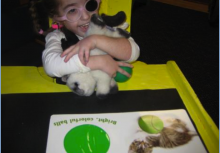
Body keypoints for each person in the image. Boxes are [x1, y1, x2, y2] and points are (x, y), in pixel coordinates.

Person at [31, 0, 140, 80]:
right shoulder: (57, 36)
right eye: (72, 10)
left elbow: (133, 52)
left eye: (90, 4)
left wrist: (95, 40)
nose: (85, 16)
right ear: (57, 18)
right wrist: (100, 62)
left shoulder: (108, 27)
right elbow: (51, 67)